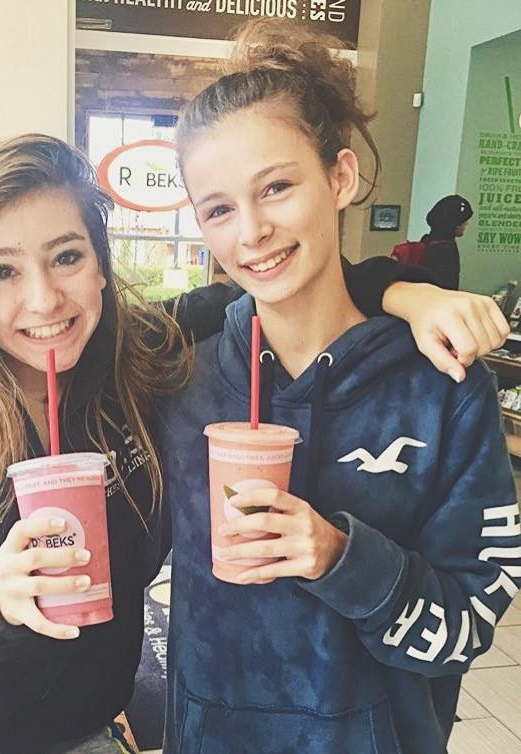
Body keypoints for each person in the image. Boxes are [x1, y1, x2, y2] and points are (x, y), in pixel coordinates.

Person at [0, 132, 504, 754]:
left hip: (86, 734)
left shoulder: (134, 368)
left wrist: (406, 291)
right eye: (1, 271)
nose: (44, 299)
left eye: (67, 257)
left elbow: (273, 283)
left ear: (101, 264)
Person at [158, 19, 518, 754]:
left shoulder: (443, 386)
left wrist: (339, 558)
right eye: (219, 208)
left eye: (276, 187)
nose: (251, 231)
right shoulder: (183, 379)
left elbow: (466, 626)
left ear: (340, 178)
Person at [392, 194, 473, 290]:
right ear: (454, 224)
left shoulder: (429, 242)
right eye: (463, 221)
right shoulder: (445, 250)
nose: (466, 224)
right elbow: (446, 289)